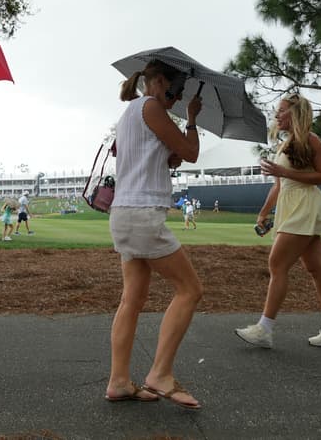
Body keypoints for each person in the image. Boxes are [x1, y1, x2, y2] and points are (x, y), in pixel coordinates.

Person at [105, 60, 203, 410]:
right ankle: (160, 373)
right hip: (144, 215)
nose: (175, 99)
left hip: (124, 212)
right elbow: (191, 152)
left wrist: (168, 154)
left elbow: (160, 156)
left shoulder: (131, 112)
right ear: (159, 82)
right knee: (190, 289)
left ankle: (119, 381)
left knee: (132, 298)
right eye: (174, 91)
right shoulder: (150, 105)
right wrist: (191, 119)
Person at [235, 93, 321, 351]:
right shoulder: (285, 144)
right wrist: (263, 213)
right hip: (292, 207)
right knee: (316, 270)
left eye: (281, 110)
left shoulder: (311, 140)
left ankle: (264, 330)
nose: (276, 115)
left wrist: (283, 171)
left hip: (305, 207)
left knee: (277, 263)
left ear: (295, 113)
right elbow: (279, 185)